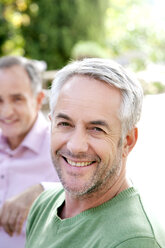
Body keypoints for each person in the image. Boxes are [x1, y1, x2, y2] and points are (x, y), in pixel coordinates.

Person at [3, 58, 165, 247]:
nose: (75, 146)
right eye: (65, 124)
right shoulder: (43, 205)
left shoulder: (135, 241)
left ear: (128, 141)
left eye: (96, 128)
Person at [0, 56, 59, 248]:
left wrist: (42, 190)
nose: (6, 112)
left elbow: (101, 195)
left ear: (38, 99)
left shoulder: (61, 147)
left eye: (17, 99)